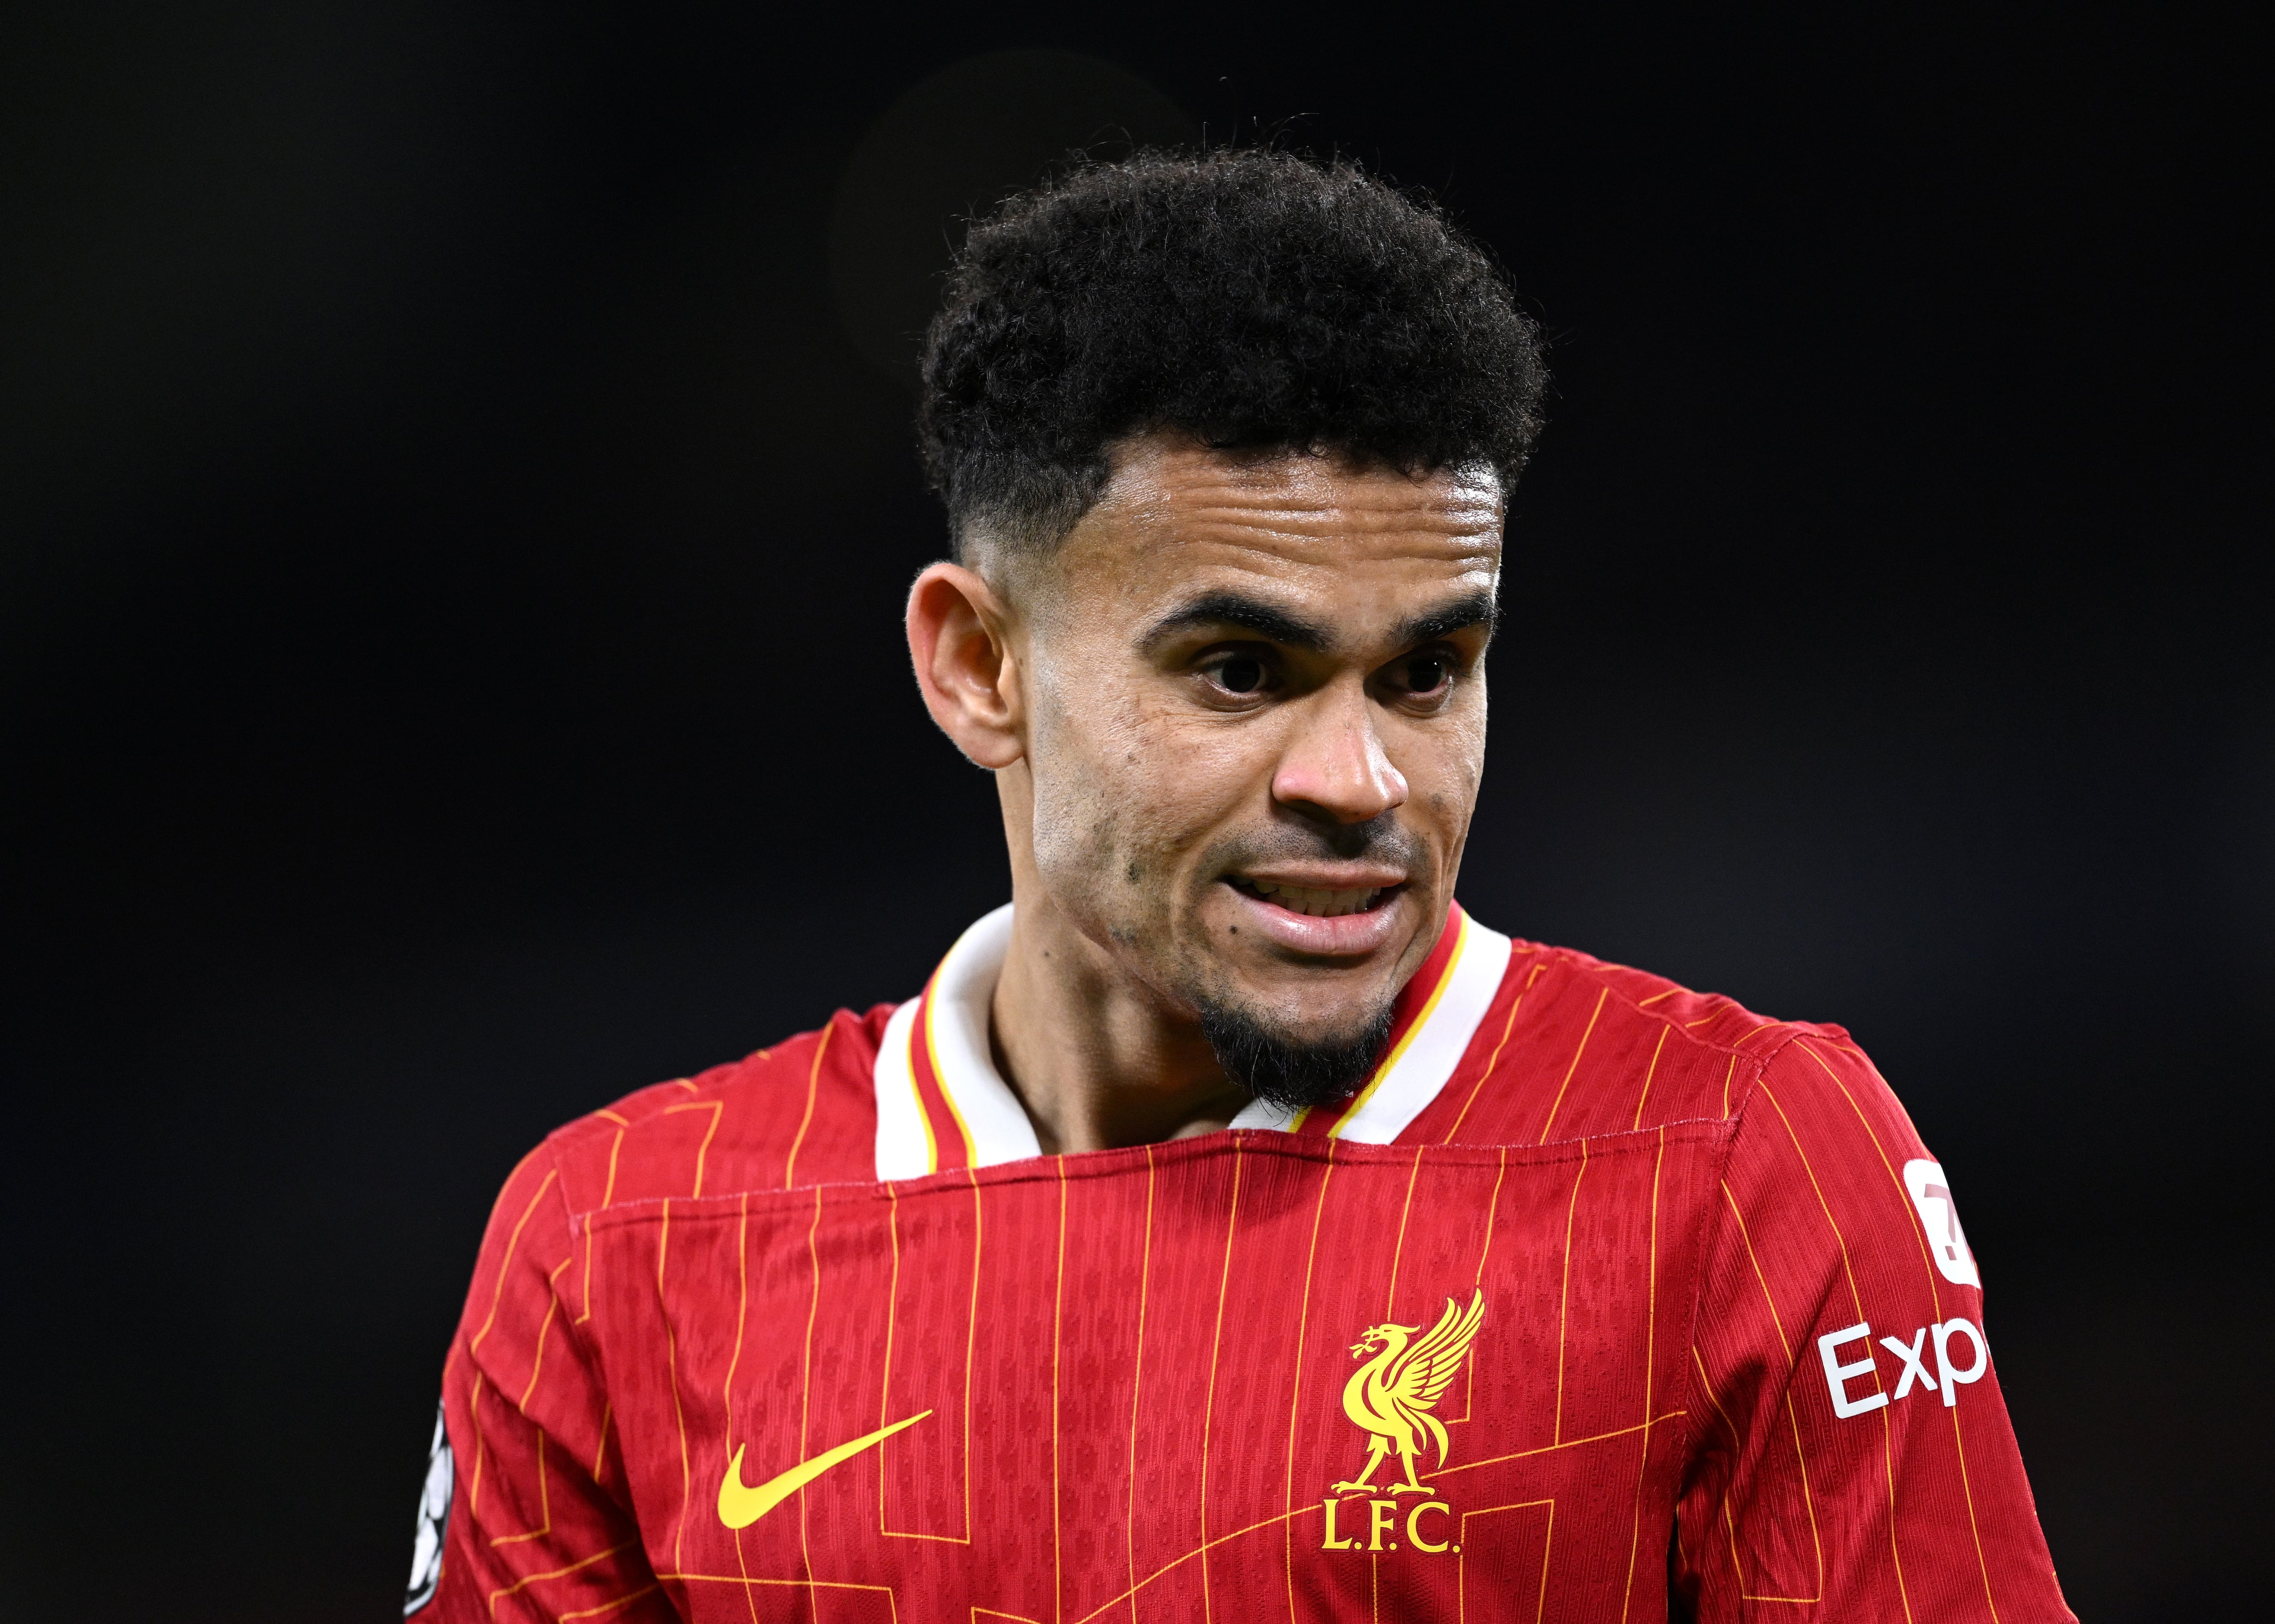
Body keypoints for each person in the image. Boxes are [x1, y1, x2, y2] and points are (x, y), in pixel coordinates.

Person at [410, 149, 2072, 1623]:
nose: (1359, 783)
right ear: (979, 666)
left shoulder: (1741, 1162)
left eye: (1428, 673)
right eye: (1237, 671)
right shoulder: (623, 1253)